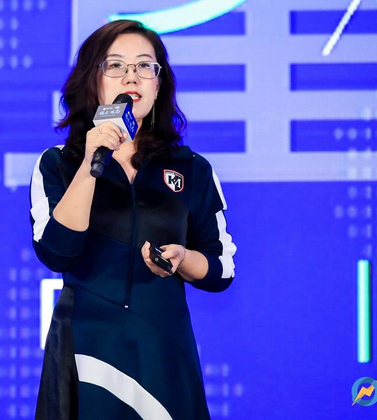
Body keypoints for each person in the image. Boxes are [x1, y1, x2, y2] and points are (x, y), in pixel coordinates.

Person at [29, 19, 236, 420]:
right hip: (86, 346)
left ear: (159, 85)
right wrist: (90, 163)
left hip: (161, 345)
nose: (131, 76)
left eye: (144, 65)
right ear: (93, 81)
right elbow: (57, 251)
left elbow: (221, 268)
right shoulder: (58, 163)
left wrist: (182, 259)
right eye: (115, 66)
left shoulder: (192, 168)